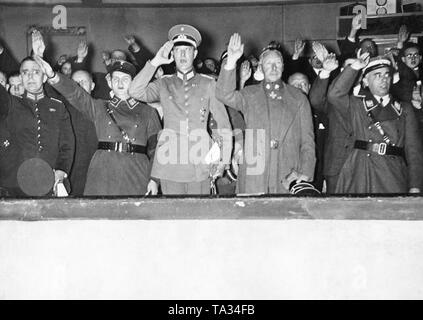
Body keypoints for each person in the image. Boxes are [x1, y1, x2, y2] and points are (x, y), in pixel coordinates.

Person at [35, 52, 162, 196]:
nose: (120, 84)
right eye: (116, 79)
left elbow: (156, 151)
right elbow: (76, 94)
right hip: (103, 170)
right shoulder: (99, 107)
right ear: (109, 82)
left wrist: (154, 180)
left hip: (136, 170)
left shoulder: (148, 112)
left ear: (134, 82)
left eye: (125, 79)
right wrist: (53, 76)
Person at [128, 24, 232, 195]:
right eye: (178, 50)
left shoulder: (208, 84)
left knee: (199, 217)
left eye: (187, 50)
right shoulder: (164, 83)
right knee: (172, 217)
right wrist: (155, 62)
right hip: (170, 163)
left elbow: (224, 125)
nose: (182, 54)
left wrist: (223, 160)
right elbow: (135, 91)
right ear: (172, 54)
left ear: (195, 53)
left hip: (200, 163)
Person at [216, 33, 316, 194]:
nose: (274, 68)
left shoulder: (299, 98)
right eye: (269, 63)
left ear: (284, 66)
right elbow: (223, 94)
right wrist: (231, 62)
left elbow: (308, 141)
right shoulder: (249, 94)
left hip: (288, 171)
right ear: (261, 67)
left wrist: (306, 172)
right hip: (255, 173)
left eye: (277, 63)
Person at [328, 53, 423, 193]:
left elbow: (414, 152)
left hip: (392, 174)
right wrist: (355, 67)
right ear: (365, 81)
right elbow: (334, 95)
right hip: (360, 171)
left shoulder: (404, 109)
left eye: (386, 75)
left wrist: (415, 186)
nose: (383, 80)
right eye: (377, 75)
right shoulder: (357, 105)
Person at [0, 52, 74, 196]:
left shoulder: (58, 107)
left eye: (36, 72)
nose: (30, 77)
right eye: (25, 73)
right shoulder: (11, 103)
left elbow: (67, 145)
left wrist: (61, 171)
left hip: (48, 181)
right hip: (13, 184)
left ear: (44, 77)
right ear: (21, 77)